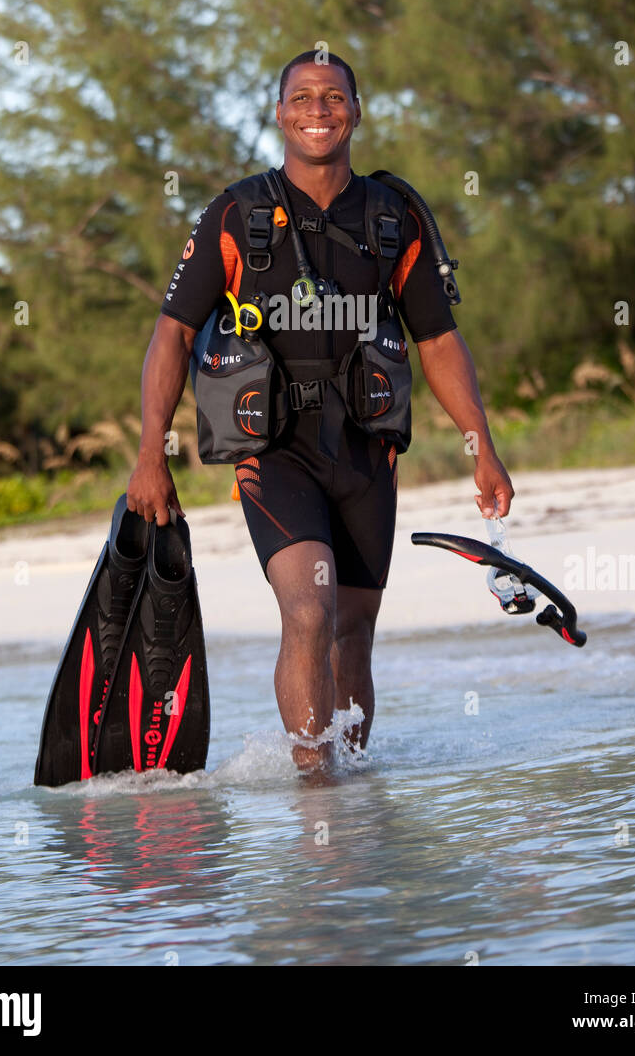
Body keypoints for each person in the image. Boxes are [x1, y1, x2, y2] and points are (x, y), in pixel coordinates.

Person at [127, 50, 514, 771]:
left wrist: (480, 445)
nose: (317, 109)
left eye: (333, 97)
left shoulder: (393, 216)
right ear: (278, 114)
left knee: (353, 632)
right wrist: (151, 453)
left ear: (356, 112)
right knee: (309, 610)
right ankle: (317, 798)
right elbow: (172, 332)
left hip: (368, 451)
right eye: (301, 97)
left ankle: (352, 797)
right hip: (274, 450)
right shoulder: (235, 213)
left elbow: (437, 340)